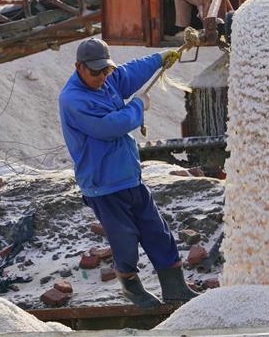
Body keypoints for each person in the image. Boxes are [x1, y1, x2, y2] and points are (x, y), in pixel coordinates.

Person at [58, 38, 199, 308]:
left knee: (157, 231)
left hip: (129, 176)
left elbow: (129, 72)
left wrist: (160, 58)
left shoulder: (108, 79)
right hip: (103, 184)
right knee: (124, 238)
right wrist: (138, 106)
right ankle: (132, 289)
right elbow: (110, 127)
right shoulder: (73, 99)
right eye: (95, 72)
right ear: (79, 67)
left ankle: (176, 288)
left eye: (105, 70)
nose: (102, 76)